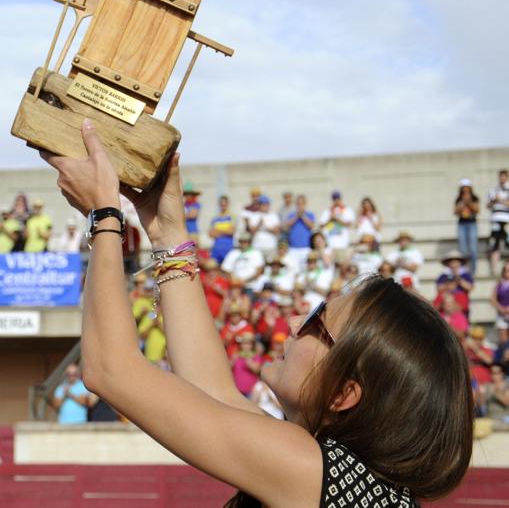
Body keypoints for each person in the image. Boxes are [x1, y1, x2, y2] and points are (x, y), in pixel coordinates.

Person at [41, 120, 473, 507]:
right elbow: (214, 393)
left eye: (314, 323)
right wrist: (166, 230)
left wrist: (105, 214)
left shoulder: (312, 469)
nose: (290, 325)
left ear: (344, 393)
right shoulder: (348, 478)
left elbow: (109, 370)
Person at [319, 191, 355, 264]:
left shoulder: (347, 210)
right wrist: (330, 219)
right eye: (334, 199)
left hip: (342, 244)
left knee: (342, 266)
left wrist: (338, 219)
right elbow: (321, 225)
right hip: (330, 245)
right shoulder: (327, 211)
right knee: (330, 268)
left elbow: (350, 224)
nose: (336, 200)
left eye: (337, 198)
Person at [454, 179, 480, 275]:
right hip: (462, 224)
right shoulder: (458, 199)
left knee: (473, 249)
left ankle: (472, 272)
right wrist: (462, 203)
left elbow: (477, 210)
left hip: (472, 223)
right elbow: (456, 212)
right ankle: (463, 271)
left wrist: (468, 202)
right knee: (463, 249)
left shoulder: (474, 198)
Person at [284, 194, 315, 270]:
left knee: (305, 269)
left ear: (305, 204)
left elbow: (311, 226)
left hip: (305, 248)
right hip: (293, 248)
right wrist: (296, 217)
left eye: (302, 204)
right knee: (293, 269)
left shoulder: (310, 215)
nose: (300, 206)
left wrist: (303, 216)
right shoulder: (291, 215)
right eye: (298, 204)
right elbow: (287, 227)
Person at [487, 169, 509, 275]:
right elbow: (488, 205)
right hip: (496, 219)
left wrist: (500, 200)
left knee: (507, 242)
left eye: (504, 176)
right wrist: (493, 201)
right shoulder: (494, 189)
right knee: (494, 244)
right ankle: (494, 269)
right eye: (501, 176)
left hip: (507, 220)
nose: (502, 178)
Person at [209, 195, 235, 264]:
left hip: (228, 247)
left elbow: (231, 232)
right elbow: (211, 234)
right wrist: (225, 231)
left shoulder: (232, 217)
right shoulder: (215, 218)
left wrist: (218, 231)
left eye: (225, 204)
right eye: (221, 204)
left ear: (228, 204)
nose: (223, 206)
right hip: (216, 248)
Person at [490, 261, 509, 343]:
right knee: (503, 340)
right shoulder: (499, 284)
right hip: (502, 314)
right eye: (506, 270)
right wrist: (500, 308)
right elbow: (493, 299)